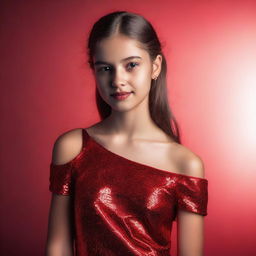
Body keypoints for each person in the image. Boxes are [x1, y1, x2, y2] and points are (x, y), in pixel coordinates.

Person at [45, 11, 208, 256]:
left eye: (131, 65)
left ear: (155, 66)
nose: (117, 80)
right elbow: (57, 247)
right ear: (94, 71)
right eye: (105, 68)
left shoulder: (185, 163)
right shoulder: (73, 148)